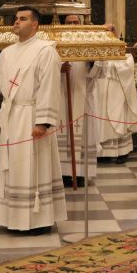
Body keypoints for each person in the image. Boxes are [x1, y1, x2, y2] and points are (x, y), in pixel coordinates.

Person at [0, 6, 66, 234]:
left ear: (35, 24)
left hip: (31, 117)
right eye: (16, 18)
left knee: (34, 166)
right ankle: (14, 218)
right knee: (14, 169)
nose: (17, 22)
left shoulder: (45, 51)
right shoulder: (7, 53)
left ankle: (38, 220)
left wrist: (43, 122)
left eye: (23, 18)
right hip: (12, 119)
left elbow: (49, 88)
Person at [57, 14, 96, 187]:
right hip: (62, 100)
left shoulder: (87, 43)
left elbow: (99, 71)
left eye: (75, 22)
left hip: (82, 98)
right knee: (63, 136)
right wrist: (58, 68)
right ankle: (64, 174)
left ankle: (80, 174)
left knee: (82, 137)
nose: (72, 25)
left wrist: (95, 61)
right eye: (69, 22)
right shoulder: (55, 45)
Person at [93, 53, 137, 164]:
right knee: (101, 118)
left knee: (118, 117)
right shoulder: (99, 51)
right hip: (100, 89)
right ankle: (104, 153)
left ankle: (123, 151)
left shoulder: (125, 54)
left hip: (117, 89)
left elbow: (128, 68)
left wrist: (110, 65)